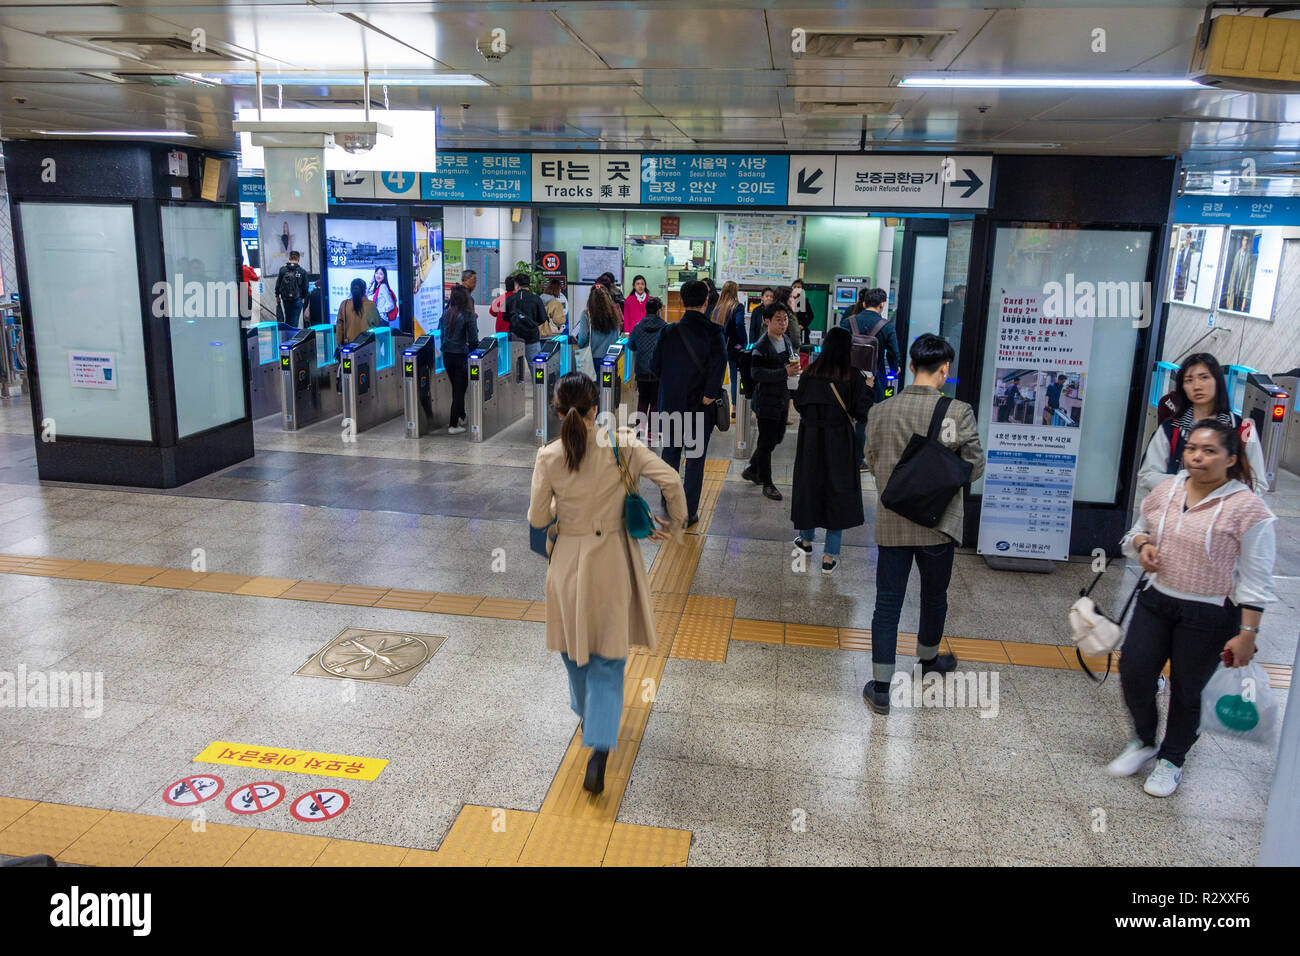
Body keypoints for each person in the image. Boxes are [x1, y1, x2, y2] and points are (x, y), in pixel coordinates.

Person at [529, 372, 687, 795]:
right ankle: (599, 742)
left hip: (567, 563)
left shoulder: (548, 455)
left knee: (572, 648)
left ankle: (587, 712)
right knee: (609, 656)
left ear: (557, 410)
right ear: (596, 408)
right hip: (613, 561)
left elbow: (538, 519)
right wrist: (678, 519)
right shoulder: (621, 443)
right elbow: (670, 479)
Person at [1110, 420, 1275, 797]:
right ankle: (1144, 739)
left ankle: (1173, 758)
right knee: (1135, 669)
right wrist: (1142, 545)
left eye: (1209, 450)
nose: (1197, 457)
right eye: (1191, 449)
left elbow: (1256, 577)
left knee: (1189, 689)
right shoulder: (1168, 489)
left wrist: (1247, 634)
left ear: (1232, 458)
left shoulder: (1247, 508)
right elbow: (1136, 531)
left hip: (1211, 612)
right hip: (1157, 599)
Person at [862, 334, 985, 715]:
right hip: (938, 522)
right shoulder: (958, 411)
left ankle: (882, 687)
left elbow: (871, 458)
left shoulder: (881, 411)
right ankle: (928, 662)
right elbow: (975, 467)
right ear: (944, 369)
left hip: (893, 520)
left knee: (887, 602)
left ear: (912, 366)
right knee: (934, 596)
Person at [791, 327, 873, 573]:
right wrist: (868, 387)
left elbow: (798, 404)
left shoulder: (810, 374)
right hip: (840, 441)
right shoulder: (854, 376)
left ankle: (805, 542)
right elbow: (863, 412)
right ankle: (829, 557)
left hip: (811, 440)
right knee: (837, 490)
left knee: (809, 485)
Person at [1139, 352, 1268, 497]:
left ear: (1217, 381)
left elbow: (1258, 483)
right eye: (1189, 380)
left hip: (1224, 515)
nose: (1197, 386)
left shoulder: (1245, 430)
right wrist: (1187, 484)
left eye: (1204, 377)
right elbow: (1147, 475)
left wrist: (1221, 492)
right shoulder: (1171, 428)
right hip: (1178, 513)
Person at [651, 279, 725, 526]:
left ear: (682, 301)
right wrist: (709, 393)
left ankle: (668, 502)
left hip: (671, 404)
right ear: (706, 301)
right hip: (700, 408)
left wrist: (673, 383)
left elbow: (655, 366)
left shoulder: (669, 331)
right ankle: (689, 512)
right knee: (694, 460)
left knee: (670, 455)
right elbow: (719, 364)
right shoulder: (714, 332)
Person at [741, 302, 799, 502]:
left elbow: (790, 362)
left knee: (777, 437)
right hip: (766, 400)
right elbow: (756, 373)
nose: (783, 323)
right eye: (778, 319)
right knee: (766, 442)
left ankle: (752, 469)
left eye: (785, 319)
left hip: (782, 398)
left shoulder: (787, 340)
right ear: (767, 321)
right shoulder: (761, 346)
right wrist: (784, 372)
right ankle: (767, 483)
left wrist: (793, 369)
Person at [840, 287, 900, 470]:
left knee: (846, 412)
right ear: (882, 305)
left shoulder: (848, 322)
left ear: (864, 303)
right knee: (866, 417)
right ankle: (859, 458)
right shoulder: (886, 326)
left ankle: (842, 452)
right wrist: (895, 367)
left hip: (848, 377)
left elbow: (837, 346)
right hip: (873, 378)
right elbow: (894, 353)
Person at [441, 284, 480, 435]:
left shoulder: (446, 314)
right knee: (459, 391)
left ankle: (462, 415)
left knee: (457, 388)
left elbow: (443, 335)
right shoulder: (468, 315)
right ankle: (452, 424)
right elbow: (474, 340)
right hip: (461, 357)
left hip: (447, 356)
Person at [627, 296, 666, 441]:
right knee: (656, 401)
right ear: (658, 311)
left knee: (643, 399)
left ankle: (639, 430)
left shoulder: (637, 327)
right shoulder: (664, 326)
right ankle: (652, 433)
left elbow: (631, 345)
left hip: (642, 370)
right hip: (657, 371)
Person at [713, 281, 747, 406]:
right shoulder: (737, 307)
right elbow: (739, 325)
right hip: (733, 346)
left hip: (718, 345)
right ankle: (734, 406)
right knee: (734, 377)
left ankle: (717, 403)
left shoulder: (718, 307)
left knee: (719, 376)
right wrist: (743, 342)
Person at [505, 272, 547, 361]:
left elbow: (505, 317)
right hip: (532, 337)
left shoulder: (509, 299)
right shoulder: (536, 299)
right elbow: (543, 318)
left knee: (514, 366)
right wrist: (533, 324)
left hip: (515, 337)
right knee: (535, 365)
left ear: (516, 285)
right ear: (529, 285)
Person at [335, 277, 385, 347]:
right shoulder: (371, 305)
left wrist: (340, 344)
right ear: (365, 291)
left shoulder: (344, 304)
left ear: (351, 290)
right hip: (367, 346)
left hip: (349, 346)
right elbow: (377, 324)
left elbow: (339, 327)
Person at [586, 283, 623, 367]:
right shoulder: (614, 313)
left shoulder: (586, 314)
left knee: (593, 380)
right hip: (611, 358)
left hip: (593, 358)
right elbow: (617, 337)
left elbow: (582, 340)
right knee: (609, 380)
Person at [274, 250, 309, 328]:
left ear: (289, 258)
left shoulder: (283, 270)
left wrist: (277, 296)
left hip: (286, 298)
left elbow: (278, 284)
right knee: (294, 321)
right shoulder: (302, 271)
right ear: (298, 259)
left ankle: (286, 337)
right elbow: (306, 287)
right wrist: (303, 298)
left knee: (288, 319)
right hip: (297, 299)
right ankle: (292, 338)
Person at [790, 278, 815, 346]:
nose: (796, 289)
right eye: (794, 286)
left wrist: (803, 325)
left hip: (800, 331)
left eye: (799, 287)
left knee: (802, 351)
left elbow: (811, 316)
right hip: (789, 330)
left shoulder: (804, 301)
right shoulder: (788, 300)